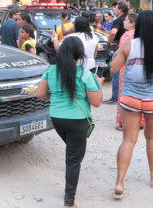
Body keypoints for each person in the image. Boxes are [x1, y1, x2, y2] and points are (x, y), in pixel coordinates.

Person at [110, 11, 153, 199]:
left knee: (128, 140)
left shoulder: (128, 45)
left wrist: (117, 54)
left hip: (130, 97)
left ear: (138, 27)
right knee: (152, 138)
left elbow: (114, 68)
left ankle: (120, 182)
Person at [36, 36, 103, 208]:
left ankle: (69, 191)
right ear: (79, 54)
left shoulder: (51, 70)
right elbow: (96, 102)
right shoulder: (85, 74)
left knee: (73, 153)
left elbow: (40, 94)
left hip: (57, 119)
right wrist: (99, 84)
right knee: (73, 160)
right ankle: (69, 202)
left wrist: (57, 95)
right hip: (77, 121)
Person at [116, 13, 145, 130]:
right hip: (141, 68)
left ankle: (124, 122)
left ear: (132, 23)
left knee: (124, 95)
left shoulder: (126, 36)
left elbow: (120, 53)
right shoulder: (144, 36)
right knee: (139, 95)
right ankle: (140, 122)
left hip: (126, 69)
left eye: (126, 20)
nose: (123, 22)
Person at [106, 2, 129, 104]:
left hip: (117, 48)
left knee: (115, 72)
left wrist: (109, 42)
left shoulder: (118, 21)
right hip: (129, 48)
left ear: (120, 10)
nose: (114, 9)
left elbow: (113, 32)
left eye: (115, 8)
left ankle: (115, 97)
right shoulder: (129, 20)